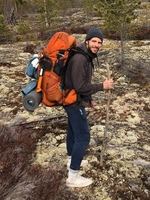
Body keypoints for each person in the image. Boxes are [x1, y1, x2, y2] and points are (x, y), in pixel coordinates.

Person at [63, 27, 113, 188]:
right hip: (73, 101)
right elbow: (79, 86)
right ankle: (73, 177)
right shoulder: (80, 58)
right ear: (87, 41)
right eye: (94, 41)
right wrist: (102, 86)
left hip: (74, 100)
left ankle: (71, 159)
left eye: (99, 42)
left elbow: (82, 82)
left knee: (72, 130)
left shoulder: (87, 55)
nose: (97, 44)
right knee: (83, 137)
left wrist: (89, 98)